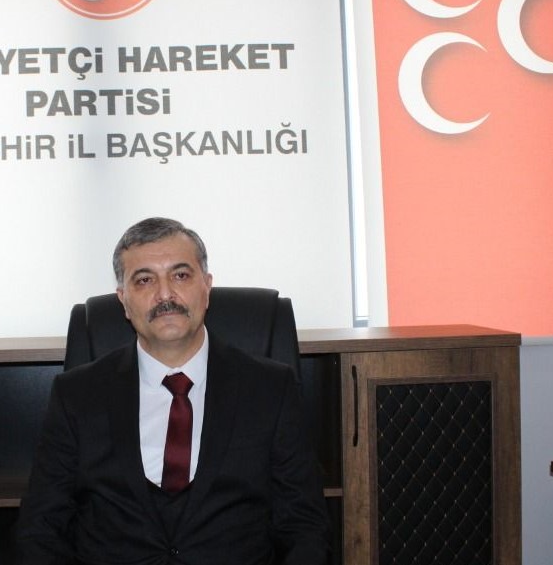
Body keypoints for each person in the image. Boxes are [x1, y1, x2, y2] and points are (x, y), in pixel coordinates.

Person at [18, 217, 330, 565]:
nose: (165, 294)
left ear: (206, 287)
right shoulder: (76, 395)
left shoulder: (270, 389)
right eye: (144, 280)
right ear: (124, 300)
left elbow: (305, 527)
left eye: (180, 275)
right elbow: (41, 529)